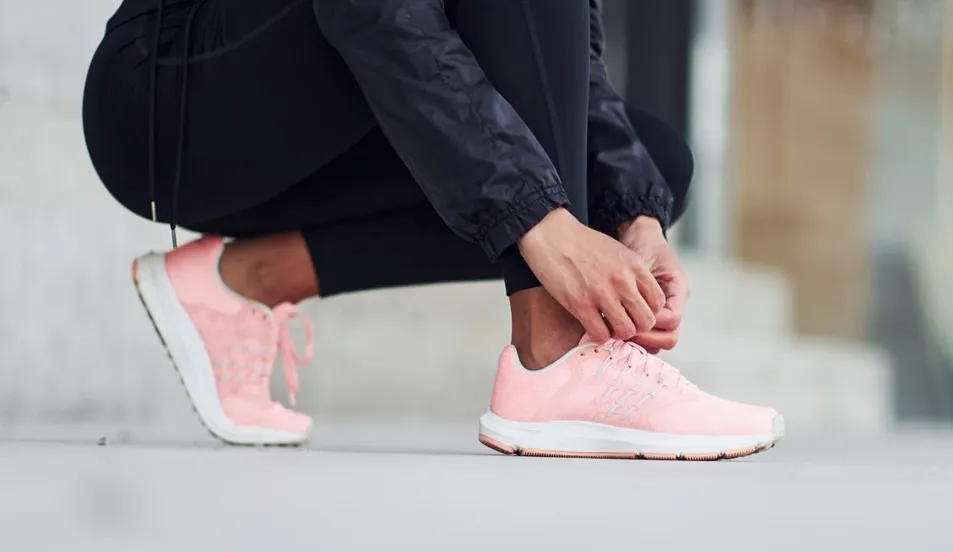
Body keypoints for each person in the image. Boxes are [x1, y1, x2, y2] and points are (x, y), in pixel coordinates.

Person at [81, 0, 784, 459]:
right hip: (170, 94)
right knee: (556, 194)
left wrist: (633, 213)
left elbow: (551, 55)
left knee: (649, 163)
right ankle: (553, 359)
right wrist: (544, 222)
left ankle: (245, 279)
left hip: (318, 102)